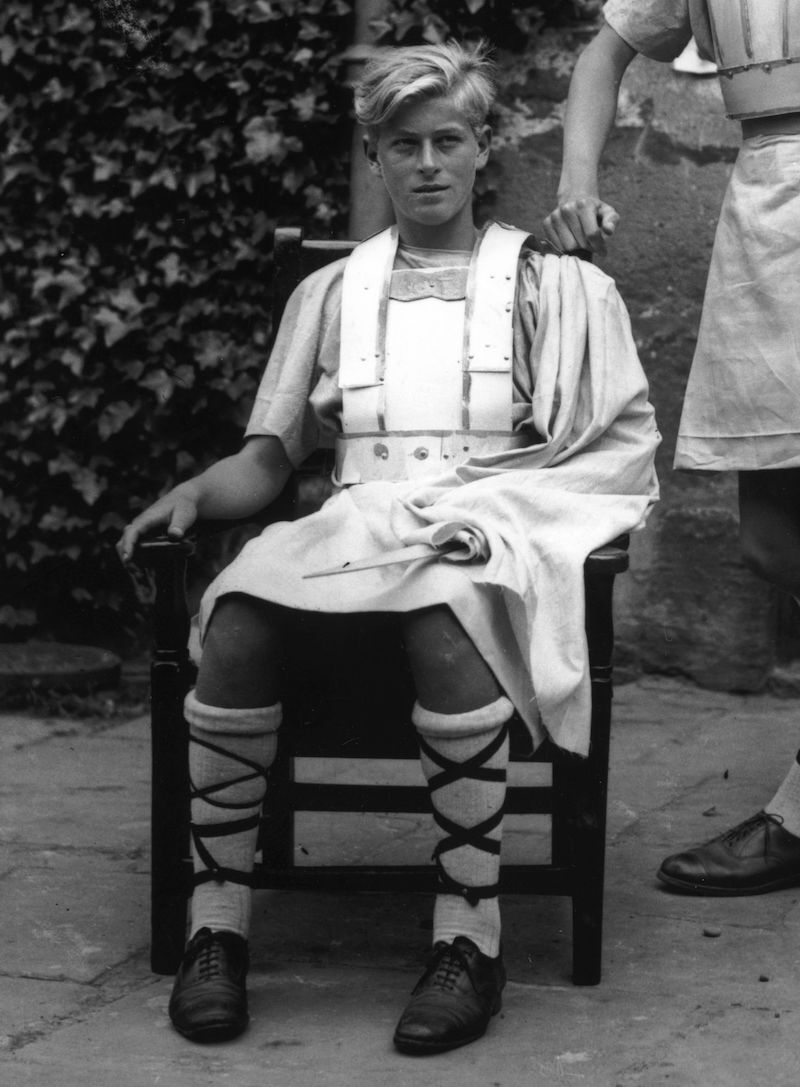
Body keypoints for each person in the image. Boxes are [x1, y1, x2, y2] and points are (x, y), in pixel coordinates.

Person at [119, 40, 659, 1053]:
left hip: (487, 528)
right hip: (355, 522)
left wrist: (498, 516)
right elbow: (268, 460)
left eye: (446, 141)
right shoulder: (332, 293)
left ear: (481, 149)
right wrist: (195, 491)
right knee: (234, 619)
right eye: (401, 144)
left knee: (444, 618)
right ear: (373, 154)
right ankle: (217, 921)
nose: (424, 164)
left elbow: (605, 457)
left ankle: (467, 933)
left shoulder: (545, 288)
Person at [543, 0, 800, 897]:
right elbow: (602, 57)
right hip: (768, 206)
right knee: (770, 540)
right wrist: (577, 181)